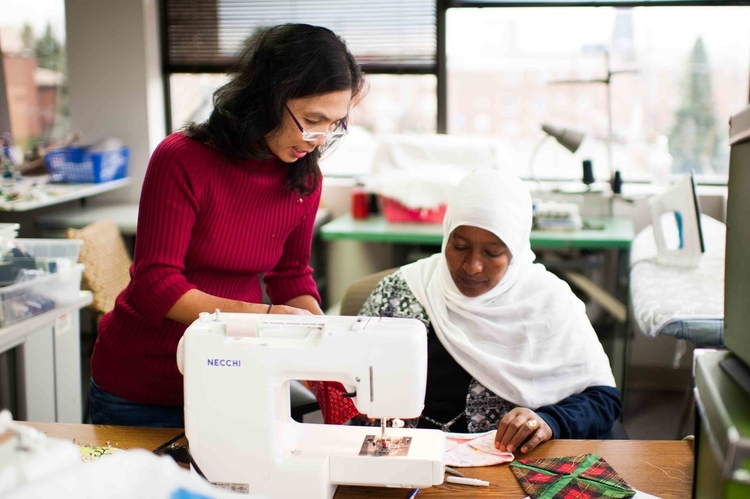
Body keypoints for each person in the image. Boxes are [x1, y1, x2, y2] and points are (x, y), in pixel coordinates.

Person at [88, 24, 365, 427]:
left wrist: (323, 344)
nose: (318, 139)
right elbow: (155, 285)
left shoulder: (304, 177)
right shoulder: (182, 159)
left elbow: (291, 277)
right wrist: (263, 316)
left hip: (232, 378)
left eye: (333, 125)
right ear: (269, 97)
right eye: (311, 120)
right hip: (141, 385)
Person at [311, 169, 622, 454]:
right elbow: (346, 386)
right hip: (404, 466)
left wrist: (549, 421)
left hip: (506, 473)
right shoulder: (399, 293)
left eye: (492, 253)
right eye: (459, 246)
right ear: (446, 235)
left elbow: (603, 400)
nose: (472, 266)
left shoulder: (549, 304)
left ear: (514, 250)